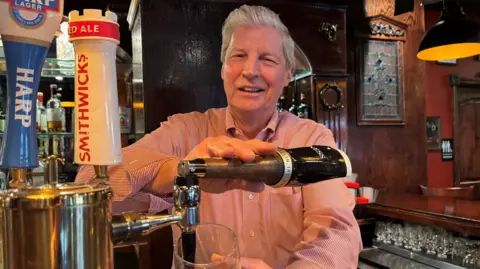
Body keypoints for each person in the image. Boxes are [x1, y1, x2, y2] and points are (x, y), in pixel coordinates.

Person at [76, 4, 362, 268]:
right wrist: (177, 171)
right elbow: (89, 184)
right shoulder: (184, 131)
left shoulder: (312, 137)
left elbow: (337, 232)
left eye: (267, 59)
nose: (250, 71)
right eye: (238, 56)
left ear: (288, 74)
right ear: (223, 68)